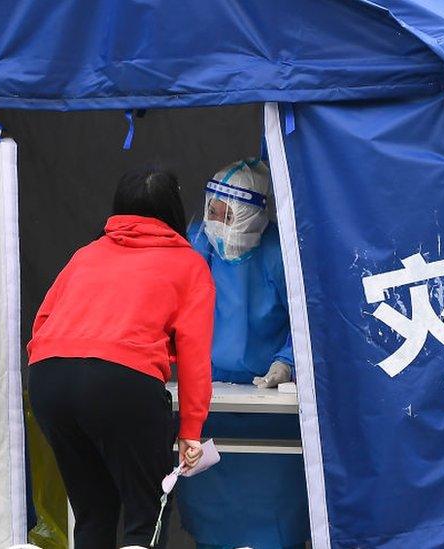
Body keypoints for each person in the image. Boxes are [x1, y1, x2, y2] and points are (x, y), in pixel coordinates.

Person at [27, 166, 215, 549]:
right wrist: (190, 431)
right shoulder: (189, 264)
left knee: (93, 512)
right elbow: (195, 355)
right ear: (175, 209)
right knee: (147, 512)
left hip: (49, 379)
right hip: (122, 383)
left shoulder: (86, 254)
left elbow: (41, 324)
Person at [177, 158, 310, 549]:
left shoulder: (279, 251)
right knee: (210, 501)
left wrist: (286, 361)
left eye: (227, 214)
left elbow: (304, 315)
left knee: (275, 497)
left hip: (268, 406)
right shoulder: (200, 240)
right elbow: (178, 298)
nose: (216, 223)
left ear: (253, 215)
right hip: (207, 398)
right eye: (211, 212)